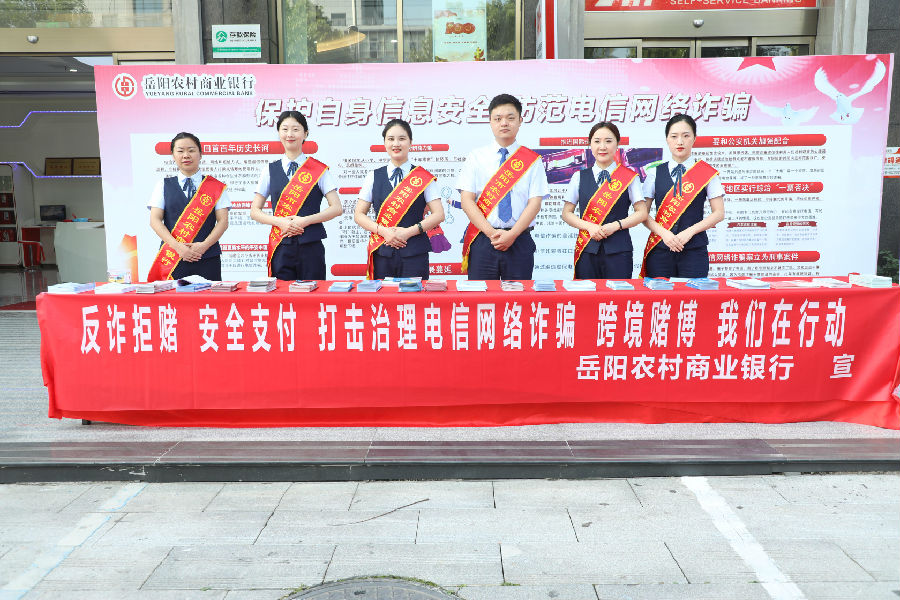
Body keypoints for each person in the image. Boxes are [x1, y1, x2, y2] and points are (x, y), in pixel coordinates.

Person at [456, 93, 549, 280]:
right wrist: (492, 233)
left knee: (518, 296)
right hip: (483, 239)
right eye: (498, 119)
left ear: (520, 121)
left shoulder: (532, 160)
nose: (504, 123)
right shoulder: (476, 157)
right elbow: (466, 200)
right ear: (490, 122)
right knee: (481, 296)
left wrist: (512, 235)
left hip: (519, 239)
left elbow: (535, 203)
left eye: (510, 118)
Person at [250, 110, 342, 280]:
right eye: (285, 129)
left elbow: (336, 208)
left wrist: (305, 221)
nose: (290, 134)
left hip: (311, 245)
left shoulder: (319, 170)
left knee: (314, 293)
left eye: (296, 129)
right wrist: (280, 222)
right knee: (282, 294)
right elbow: (255, 211)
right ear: (279, 133)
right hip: (281, 244)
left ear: (305, 133)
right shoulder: (269, 170)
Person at [354, 119, 445, 280]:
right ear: (385, 143)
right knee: (383, 295)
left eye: (402, 139)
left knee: (414, 296)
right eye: (391, 139)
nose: (396, 144)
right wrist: (383, 231)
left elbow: (439, 214)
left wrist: (407, 232)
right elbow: (359, 215)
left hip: (415, 253)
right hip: (382, 251)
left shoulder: (423, 177)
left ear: (410, 142)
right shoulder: (373, 176)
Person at [641, 113, 725, 278]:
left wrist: (689, 232)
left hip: (694, 250)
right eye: (674, 136)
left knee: (693, 294)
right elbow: (642, 214)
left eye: (686, 136)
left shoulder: (707, 173)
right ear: (667, 139)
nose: (680, 141)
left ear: (694, 138)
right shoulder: (654, 173)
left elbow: (719, 213)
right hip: (660, 249)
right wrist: (664, 234)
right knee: (659, 294)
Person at [561, 121, 647, 279]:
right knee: (586, 293)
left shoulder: (630, 177)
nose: (602, 147)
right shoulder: (579, 177)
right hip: (587, 248)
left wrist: (616, 225)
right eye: (597, 141)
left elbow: (642, 213)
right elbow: (567, 213)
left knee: (618, 294)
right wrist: (589, 226)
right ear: (590, 145)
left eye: (608, 141)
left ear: (617, 144)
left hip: (619, 251)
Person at [147, 132, 230, 281]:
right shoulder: (163, 185)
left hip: (207, 257)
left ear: (200, 154)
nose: (186, 155)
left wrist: (204, 246)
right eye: (180, 151)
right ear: (173, 156)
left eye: (191, 150)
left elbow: (223, 222)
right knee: (172, 296)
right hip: (173, 257)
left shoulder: (216, 187)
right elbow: (155, 220)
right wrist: (178, 247)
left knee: (210, 296)